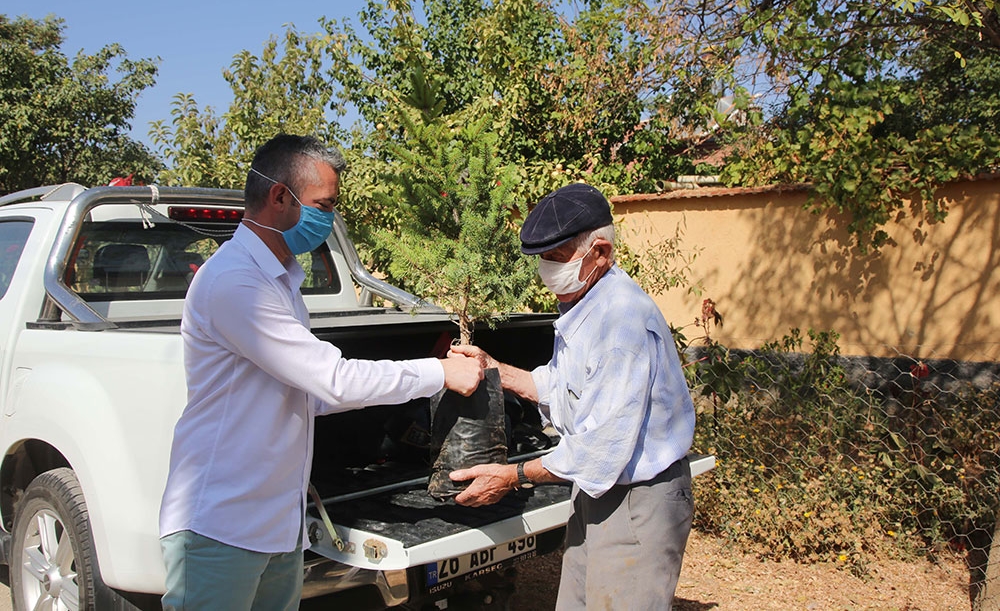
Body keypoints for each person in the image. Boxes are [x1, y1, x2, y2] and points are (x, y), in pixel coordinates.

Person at [158, 133, 483, 611]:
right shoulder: (236, 282)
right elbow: (333, 379)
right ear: (279, 196)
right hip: (221, 526)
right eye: (324, 205)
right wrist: (438, 372)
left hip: (276, 525)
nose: (328, 219)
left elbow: (312, 395)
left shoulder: (281, 280)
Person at [450, 182, 697, 610]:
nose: (548, 270)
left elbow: (599, 450)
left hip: (637, 499)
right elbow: (563, 387)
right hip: (595, 490)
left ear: (600, 252)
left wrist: (513, 476)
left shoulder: (620, 324)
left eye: (558, 257)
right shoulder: (586, 302)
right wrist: (496, 369)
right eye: (543, 259)